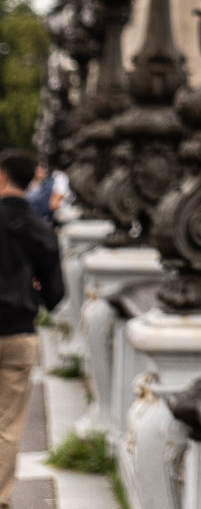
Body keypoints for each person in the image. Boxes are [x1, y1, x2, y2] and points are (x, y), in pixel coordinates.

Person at [0, 149, 64, 509]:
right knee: (6, 425)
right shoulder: (40, 228)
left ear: (2, 177)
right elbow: (56, 295)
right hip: (19, 332)